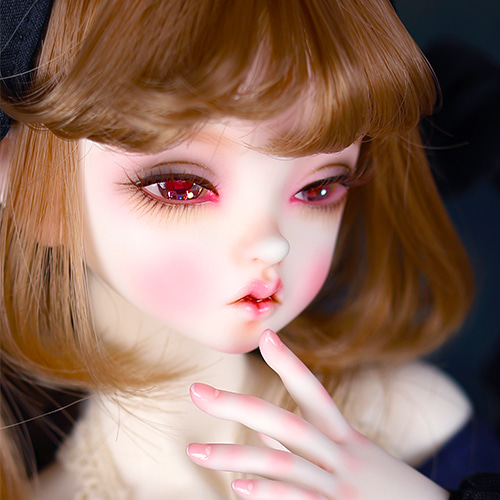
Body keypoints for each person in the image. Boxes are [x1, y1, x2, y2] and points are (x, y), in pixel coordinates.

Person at [0, 0, 490, 498]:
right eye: (180, 188)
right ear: (29, 191)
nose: (273, 244)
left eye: (319, 188)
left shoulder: (412, 422)